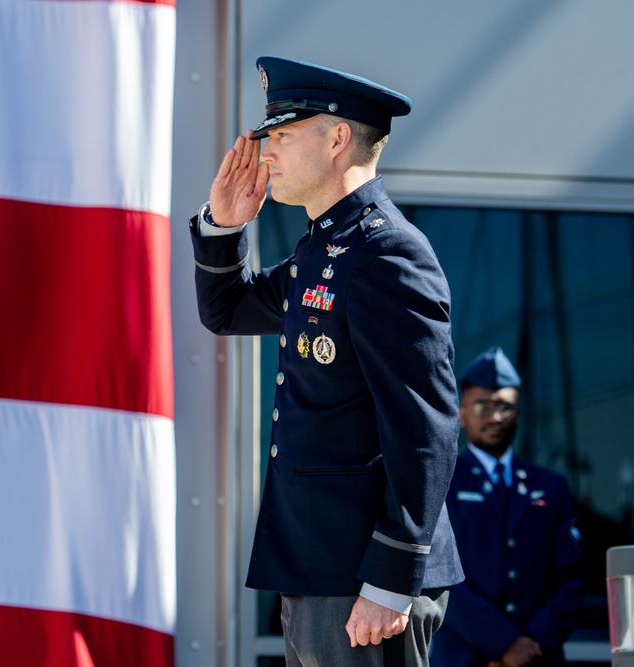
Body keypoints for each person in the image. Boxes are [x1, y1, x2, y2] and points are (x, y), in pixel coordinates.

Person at [188, 56, 463, 666]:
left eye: (283, 134)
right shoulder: (328, 247)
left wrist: (393, 576)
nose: (267, 154)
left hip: (365, 577)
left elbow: (426, 427)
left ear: (338, 138)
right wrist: (223, 227)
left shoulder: (386, 254)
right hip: (322, 566)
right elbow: (229, 311)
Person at [430, 347, 583, 667]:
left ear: (519, 414)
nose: (496, 417)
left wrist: (530, 644)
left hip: (538, 657)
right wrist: (503, 644)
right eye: (483, 405)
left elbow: (570, 580)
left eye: (506, 406)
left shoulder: (551, 488)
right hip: (465, 657)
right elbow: (436, 576)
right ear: (461, 413)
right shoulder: (441, 483)